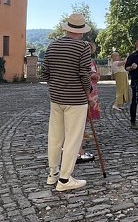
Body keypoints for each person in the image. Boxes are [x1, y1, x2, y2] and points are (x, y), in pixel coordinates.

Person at [39, 13, 98, 192]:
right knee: (73, 139)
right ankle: (65, 180)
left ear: (67, 28)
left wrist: (58, 85)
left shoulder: (52, 46)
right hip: (76, 100)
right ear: (81, 32)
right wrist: (89, 96)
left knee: (55, 137)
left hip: (56, 98)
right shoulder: (82, 48)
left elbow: (45, 74)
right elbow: (84, 74)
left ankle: (53, 174)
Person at [77, 42, 101, 163]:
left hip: (91, 92)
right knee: (79, 122)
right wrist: (94, 75)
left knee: (84, 120)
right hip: (85, 93)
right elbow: (86, 76)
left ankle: (78, 148)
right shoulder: (84, 61)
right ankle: (78, 150)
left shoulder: (91, 61)